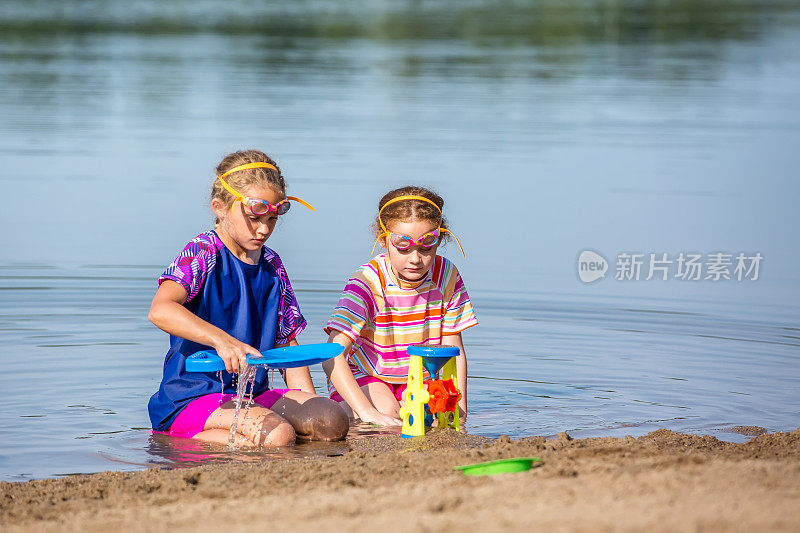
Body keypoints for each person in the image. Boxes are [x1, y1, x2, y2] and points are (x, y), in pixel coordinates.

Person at [147, 150, 348, 446]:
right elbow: (160, 310)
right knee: (278, 435)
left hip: (252, 395)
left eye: (272, 218)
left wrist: (307, 401)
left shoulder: (273, 266)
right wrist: (222, 341)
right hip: (191, 397)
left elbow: (285, 343)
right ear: (220, 207)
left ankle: (253, 439)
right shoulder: (202, 252)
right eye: (254, 217)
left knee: (331, 420)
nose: (264, 229)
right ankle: (174, 440)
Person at [323, 186, 477, 427]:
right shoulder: (368, 282)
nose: (415, 258)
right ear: (384, 239)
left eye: (426, 246)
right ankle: (347, 409)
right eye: (403, 246)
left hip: (421, 376)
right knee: (387, 413)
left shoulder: (446, 275)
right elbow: (331, 356)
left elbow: (452, 348)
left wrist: (459, 407)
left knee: (435, 417)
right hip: (368, 374)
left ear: (440, 239)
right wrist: (366, 412)